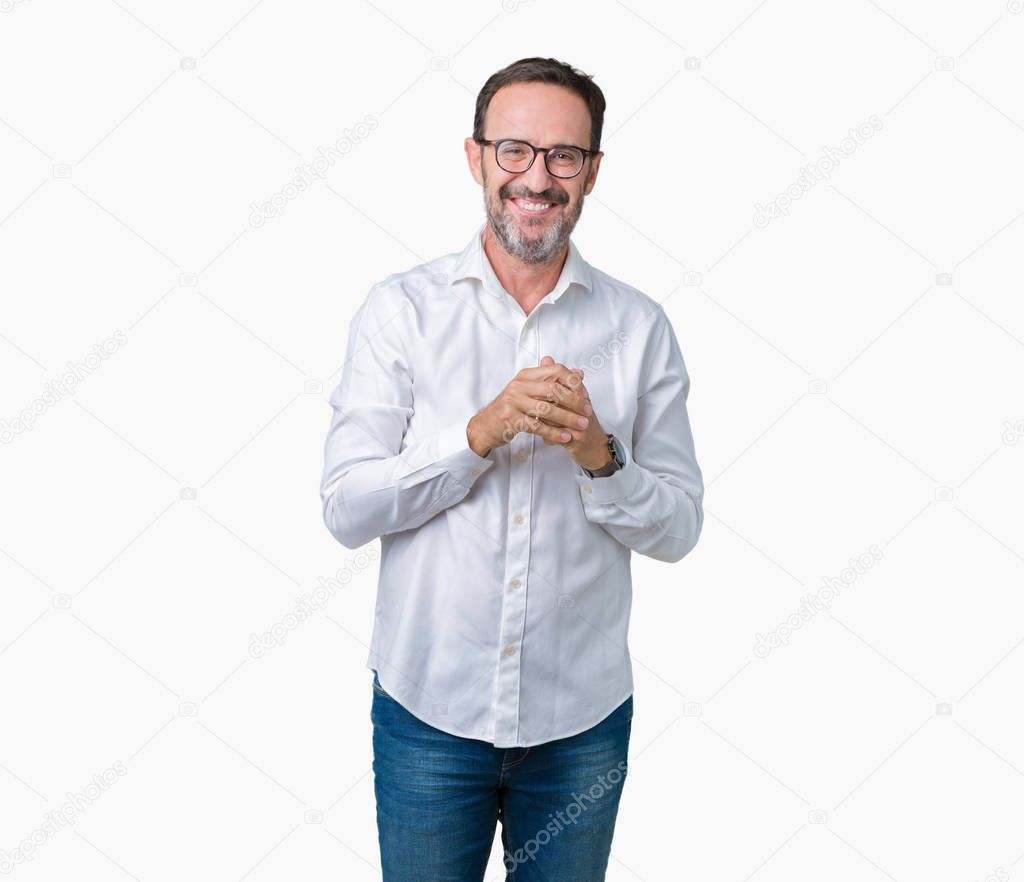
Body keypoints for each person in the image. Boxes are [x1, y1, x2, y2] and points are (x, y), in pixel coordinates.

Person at [320, 56, 704, 881]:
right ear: (476, 159)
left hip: (581, 725)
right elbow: (347, 507)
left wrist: (602, 458)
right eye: (515, 150)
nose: (538, 177)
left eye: (564, 156)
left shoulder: (640, 329)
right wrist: (477, 434)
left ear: (593, 173)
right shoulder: (401, 312)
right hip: (429, 714)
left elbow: (680, 528)